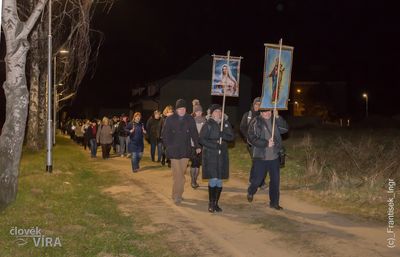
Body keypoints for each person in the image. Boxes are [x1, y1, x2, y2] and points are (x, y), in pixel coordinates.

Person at [246, 109, 289, 210]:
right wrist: (266, 143)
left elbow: (285, 129)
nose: (267, 113)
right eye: (264, 111)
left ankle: (274, 203)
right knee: (257, 180)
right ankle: (251, 191)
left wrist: (278, 117)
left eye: (269, 111)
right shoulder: (256, 121)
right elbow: (251, 138)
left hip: (274, 156)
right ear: (261, 112)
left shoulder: (275, 120)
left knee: (275, 181)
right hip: (261, 157)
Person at [161, 99, 201, 204]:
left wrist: (197, 146)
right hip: (174, 151)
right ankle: (177, 196)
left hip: (185, 150)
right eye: (180, 109)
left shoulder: (189, 119)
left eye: (183, 108)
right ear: (176, 109)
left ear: (186, 109)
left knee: (181, 174)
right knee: (178, 175)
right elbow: (164, 135)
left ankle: (176, 193)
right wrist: (168, 146)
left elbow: (194, 133)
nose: (182, 110)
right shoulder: (170, 119)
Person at [199, 104, 234, 212]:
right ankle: (211, 203)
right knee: (213, 178)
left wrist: (222, 134)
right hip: (210, 154)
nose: (218, 113)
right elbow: (201, 139)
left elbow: (231, 137)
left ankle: (216, 203)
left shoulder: (225, 123)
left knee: (219, 179)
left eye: (219, 111)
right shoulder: (208, 124)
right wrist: (214, 145)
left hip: (222, 154)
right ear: (212, 113)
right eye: (216, 111)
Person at [239, 97, 267, 190]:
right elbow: (242, 127)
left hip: (262, 143)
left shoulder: (264, 115)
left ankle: (260, 181)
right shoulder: (248, 115)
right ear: (253, 104)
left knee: (263, 161)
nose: (258, 106)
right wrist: (248, 137)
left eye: (260, 104)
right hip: (252, 144)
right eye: (256, 104)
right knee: (256, 162)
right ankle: (255, 181)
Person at [190, 102, 206, 189]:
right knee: (194, 163)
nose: (199, 112)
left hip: (202, 145)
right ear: (194, 112)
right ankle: (192, 180)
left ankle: (195, 180)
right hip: (193, 145)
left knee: (198, 164)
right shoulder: (191, 120)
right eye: (197, 111)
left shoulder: (204, 120)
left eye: (200, 111)